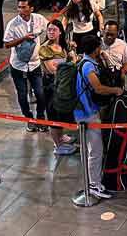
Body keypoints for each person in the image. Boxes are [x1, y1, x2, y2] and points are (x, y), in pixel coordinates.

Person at [73, 33, 125, 200]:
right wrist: (116, 90)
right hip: (86, 113)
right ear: (96, 48)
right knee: (96, 151)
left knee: (92, 149)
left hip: (86, 111)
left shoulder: (86, 61)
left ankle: (92, 181)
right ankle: (93, 185)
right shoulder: (88, 66)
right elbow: (98, 88)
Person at [3, 0, 49, 132]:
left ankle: (40, 117)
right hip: (18, 66)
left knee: (40, 93)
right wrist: (23, 38)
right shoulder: (13, 24)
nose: (20, 10)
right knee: (22, 95)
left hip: (35, 64)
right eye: (19, 7)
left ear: (31, 8)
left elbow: (50, 29)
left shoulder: (39, 19)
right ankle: (29, 118)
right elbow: (7, 44)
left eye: (24, 7)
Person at [39, 18, 77, 156]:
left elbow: (66, 63)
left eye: (54, 29)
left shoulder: (63, 46)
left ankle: (61, 136)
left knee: (60, 113)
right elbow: (52, 70)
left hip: (64, 85)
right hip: (51, 86)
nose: (51, 32)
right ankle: (57, 144)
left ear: (60, 32)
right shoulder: (44, 49)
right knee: (53, 115)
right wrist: (70, 63)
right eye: (49, 29)